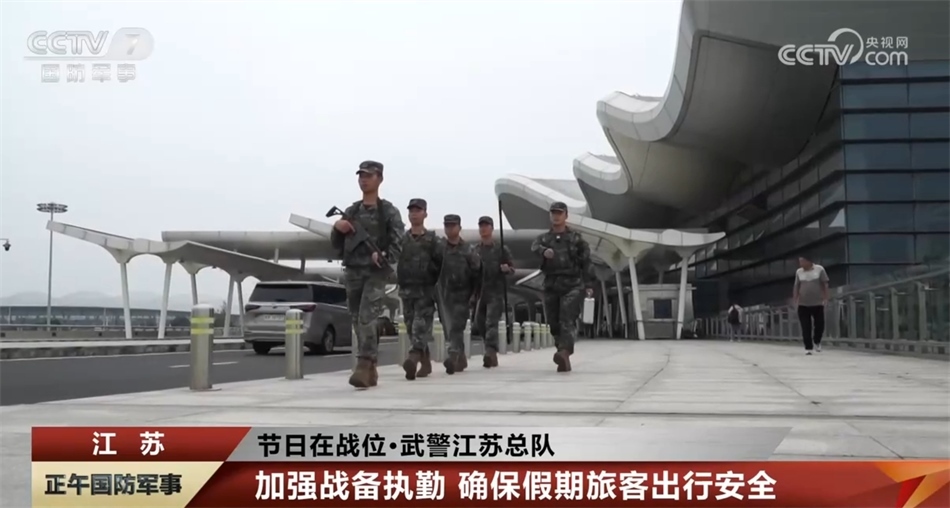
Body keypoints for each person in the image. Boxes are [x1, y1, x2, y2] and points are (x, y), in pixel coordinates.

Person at [330, 160, 406, 388]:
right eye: (361, 175)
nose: (363, 180)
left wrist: (383, 256)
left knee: (367, 317)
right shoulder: (352, 211)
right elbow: (336, 245)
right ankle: (370, 367)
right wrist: (337, 228)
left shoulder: (389, 212)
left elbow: (398, 243)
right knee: (356, 318)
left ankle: (364, 364)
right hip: (353, 269)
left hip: (375, 273)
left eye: (369, 176)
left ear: (379, 179)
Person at [531, 201, 594, 372]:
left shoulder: (576, 239)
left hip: (572, 284)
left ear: (566, 216)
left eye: (559, 213)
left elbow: (586, 261)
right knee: (553, 322)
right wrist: (543, 251)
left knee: (567, 318)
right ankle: (561, 351)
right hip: (551, 284)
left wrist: (589, 283)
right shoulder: (544, 239)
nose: (556, 216)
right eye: (553, 213)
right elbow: (534, 246)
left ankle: (565, 351)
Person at [397, 198, 444, 381]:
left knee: (420, 325)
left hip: (425, 291)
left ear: (425, 214)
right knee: (411, 327)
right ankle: (425, 362)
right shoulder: (402, 239)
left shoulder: (433, 240)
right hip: (406, 290)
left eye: (418, 210)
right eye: (411, 211)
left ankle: (413, 357)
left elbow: (442, 264)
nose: (414, 214)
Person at [438, 214, 481, 374]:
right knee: (448, 327)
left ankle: (453, 355)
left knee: (456, 326)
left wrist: (474, 296)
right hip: (444, 295)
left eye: (453, 225)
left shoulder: (468, 250)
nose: (449, 228)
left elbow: (477, 274)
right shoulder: (439, 249)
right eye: (447, 225)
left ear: (459, 228)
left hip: (463, 295)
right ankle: (460, 358)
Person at [471, 216, 514, 368]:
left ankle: (490, 351)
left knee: (491, 322)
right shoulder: (475, 250)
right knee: (479, 322)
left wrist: (506, 269)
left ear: (491, 228)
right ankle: (489, 347)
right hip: (480, 292)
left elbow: (512, 269)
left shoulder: (501, 249)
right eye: (481, 226)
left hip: (495, 291)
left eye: (486, 226)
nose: (483, 229)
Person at [793, 256, 829, 355]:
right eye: (799, 261)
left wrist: (826, 298)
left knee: (819, 325)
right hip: (803, 304)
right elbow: (796, 286)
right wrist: (795, 299)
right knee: (805, 327)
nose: (800, 264)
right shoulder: (799, 272)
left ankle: (817, 341)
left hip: (817, 303)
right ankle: (808, 347)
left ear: (809, 261)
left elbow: (825, 284)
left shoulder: (819, 269)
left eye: (802, 261)